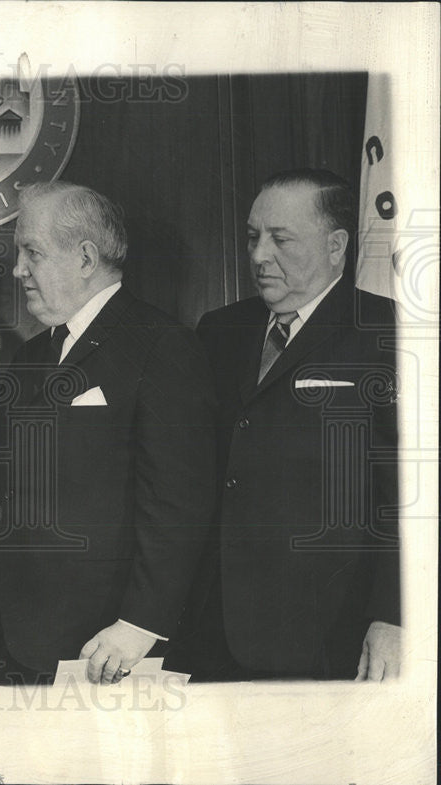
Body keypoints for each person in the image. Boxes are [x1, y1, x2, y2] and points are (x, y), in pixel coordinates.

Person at [0, 181, 218, 685]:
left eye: (32, 253)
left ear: (86, 258)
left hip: (107, 649)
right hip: (15, 644)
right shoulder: (30, 356)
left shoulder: (162, 348)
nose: (18, 269)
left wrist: (140, 625)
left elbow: (180, 505)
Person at [165, 169, 401, 681]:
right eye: (253, 237)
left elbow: (407, 492)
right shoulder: (220, 331)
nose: (258, 255)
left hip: (327, 630)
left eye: (280, 238)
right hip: (212, 627)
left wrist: (393, 615)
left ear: (336, 245)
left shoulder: (389, 333)